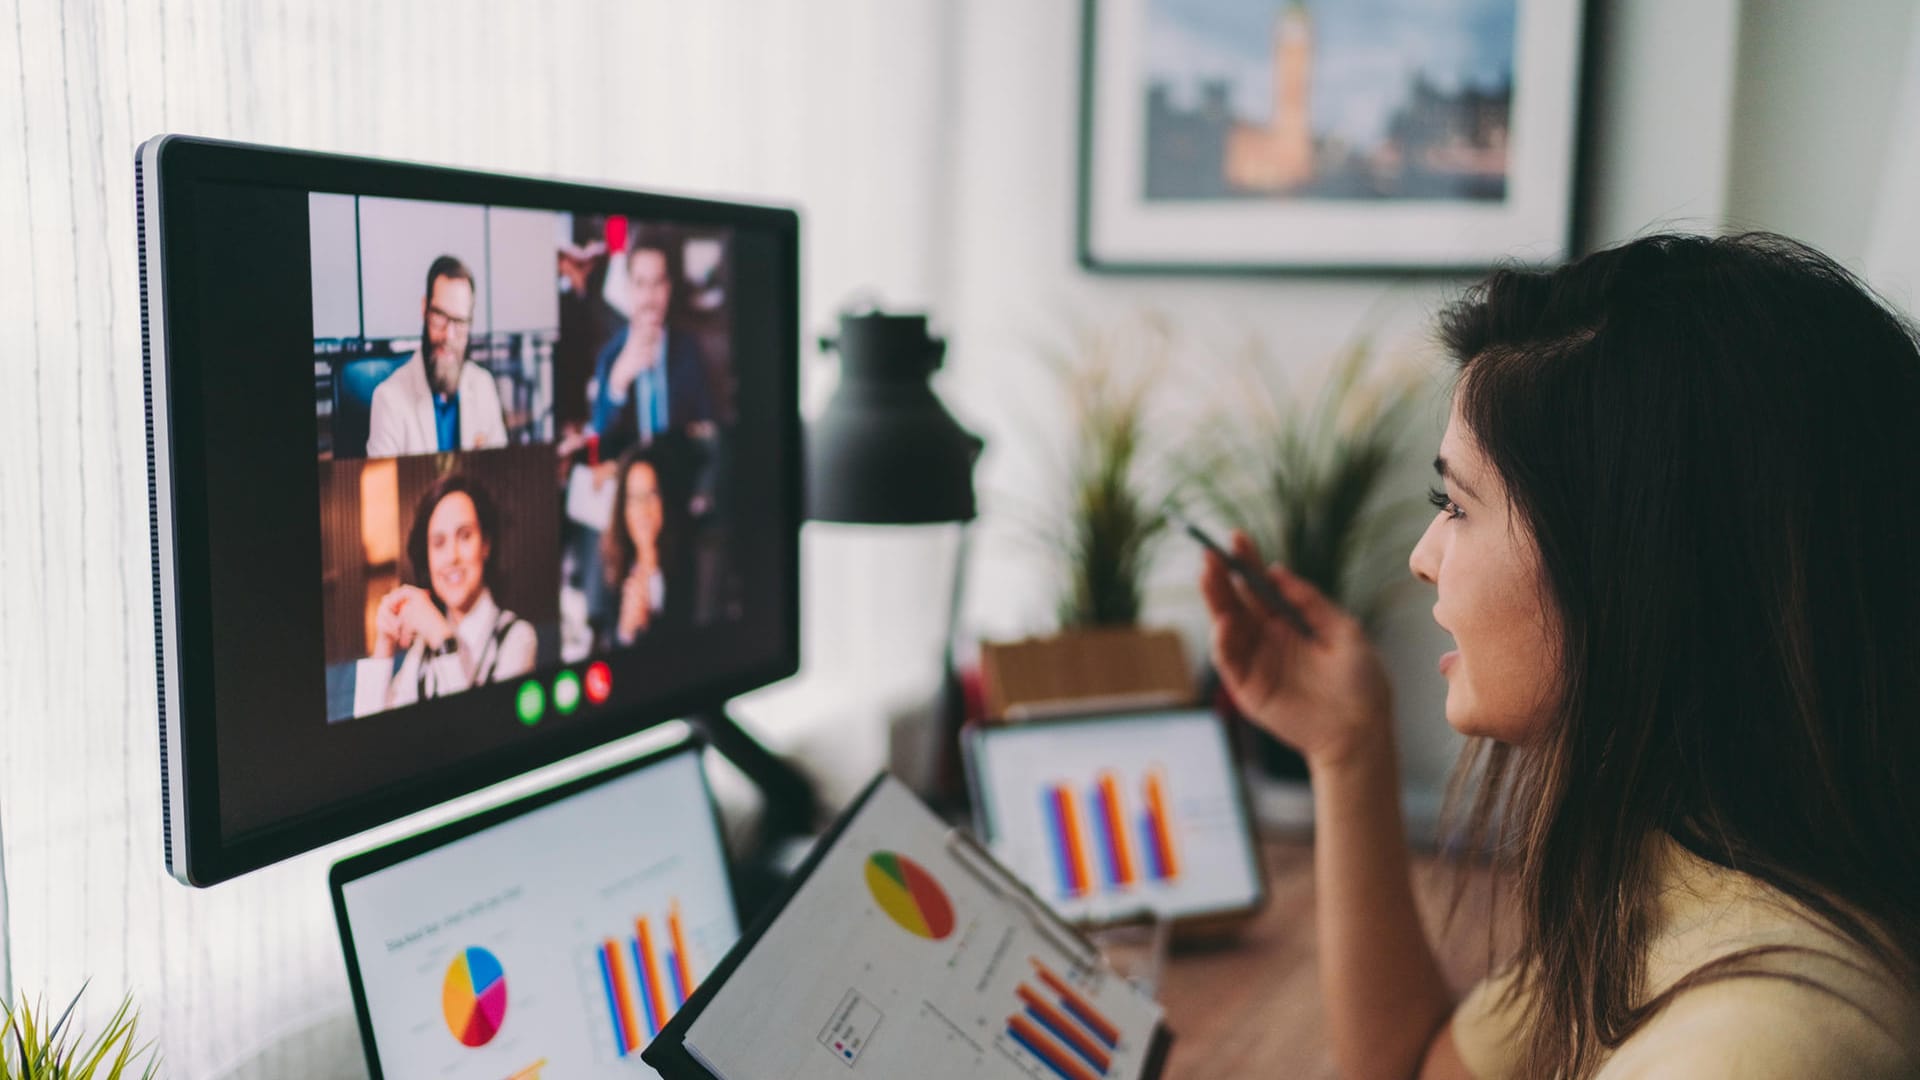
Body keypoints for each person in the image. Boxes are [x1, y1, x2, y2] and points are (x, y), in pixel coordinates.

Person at [1202, 233, 1920, 1078]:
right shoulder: (1687, 869)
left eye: (1457, 505)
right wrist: (1348, 744)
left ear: (1630, 569)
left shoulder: (1756, 1047)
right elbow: (1421, 1069)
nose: (1424, 555)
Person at [355, 474, 536, 715]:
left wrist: (442, 640)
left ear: (485, 545)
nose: (451, 556)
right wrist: (384, 645)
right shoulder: (422, 649)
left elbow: (479, 733)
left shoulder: (517, 638)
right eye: (438, 543)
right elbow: (370, 738)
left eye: (465, 536)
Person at [583, 227, 715, 458]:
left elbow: (709, 434)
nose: (649, 297)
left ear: (669, 288)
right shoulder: (610, 357)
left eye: (658, 283)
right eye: (640, 284)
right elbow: (600, 451)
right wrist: (617, 384)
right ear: (628, 289)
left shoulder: (690, 348)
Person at [365, 255, 509, 457]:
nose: (448, 336)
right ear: (424, 309)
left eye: (459, 322)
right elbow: (380, 487)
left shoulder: (484, 386)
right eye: (440, 317)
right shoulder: (389, 400)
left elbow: (499, 475)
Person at [594, 442, 694, 649]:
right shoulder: (611, 570)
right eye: (634, 499)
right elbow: (609, 645)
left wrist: (650, 623)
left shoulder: (691, 561)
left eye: (651, 495)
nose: (643, 510)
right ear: (623, 508)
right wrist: (625, 631)